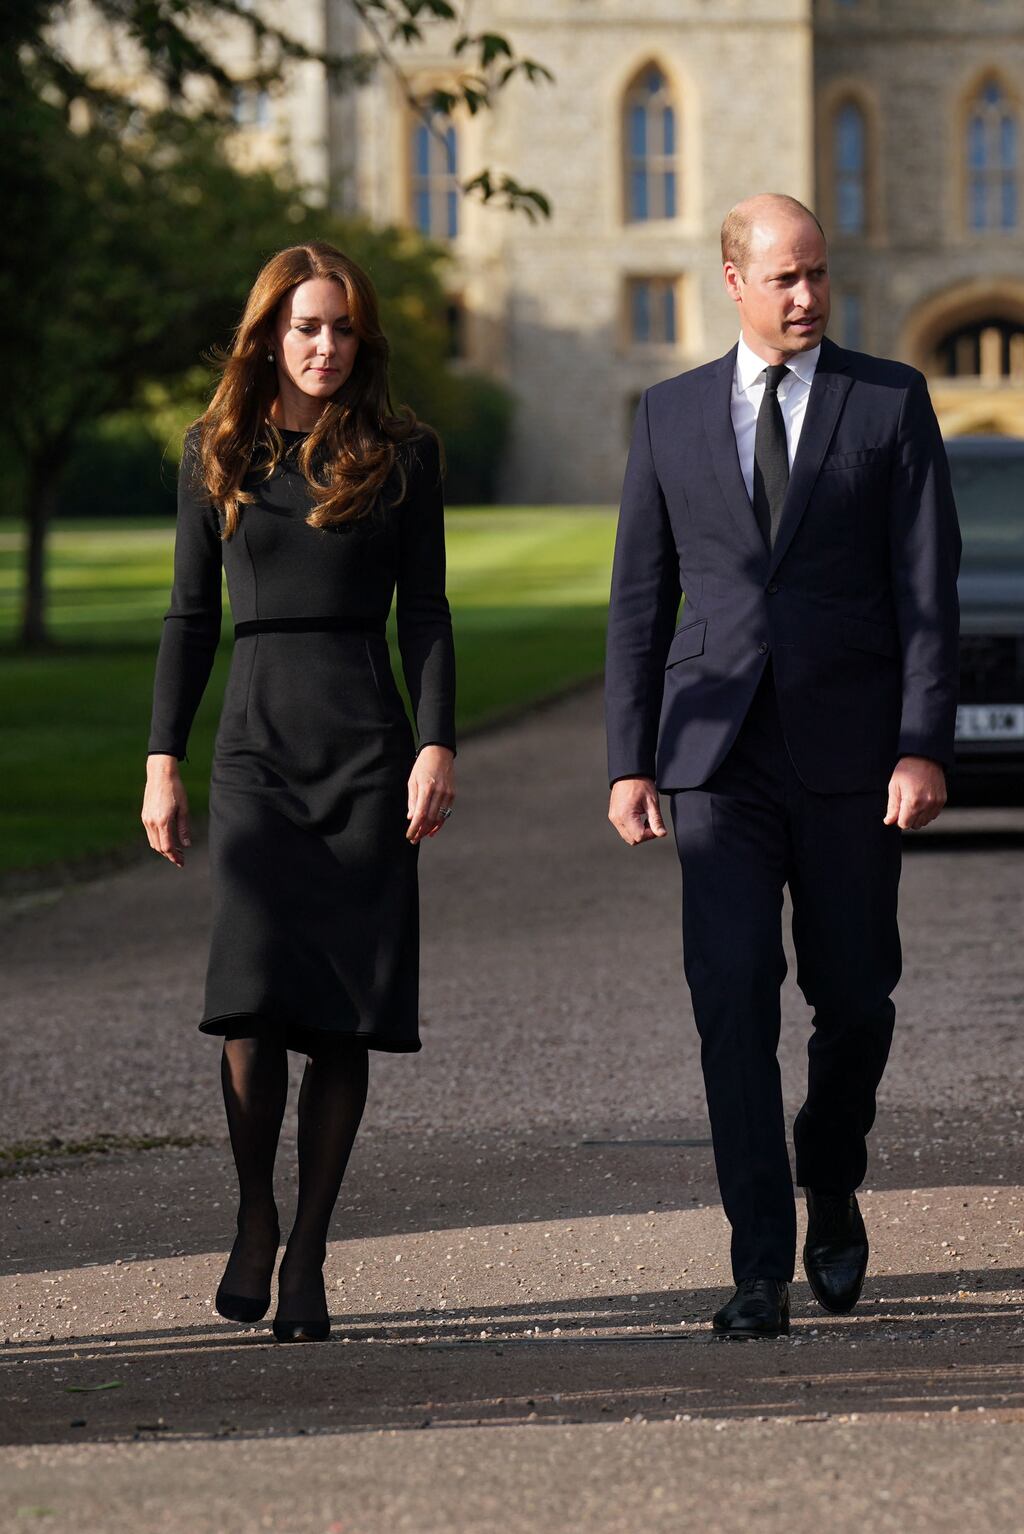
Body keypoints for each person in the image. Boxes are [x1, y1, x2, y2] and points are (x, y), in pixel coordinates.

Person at [605, 194, 960, 1338]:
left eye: (817, 275)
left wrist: (920, 740)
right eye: (785, 279)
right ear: (732, 280)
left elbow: (926, 589)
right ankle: (758, 1259)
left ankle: (833, 1175)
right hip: (713, 757)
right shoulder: (665, 415)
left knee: (853, 997)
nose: (807, 297)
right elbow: (637, 601)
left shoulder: (889, 401)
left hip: (854, 753)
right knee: (729, 996)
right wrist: (629, 760)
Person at [142, 241, 456, 1343]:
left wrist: (436, 743)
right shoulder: (215, 451)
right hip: (256, 746)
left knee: (341, 1016)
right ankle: (256, 1213)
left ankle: (313, 1250)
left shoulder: (404, 453)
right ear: (270, 333)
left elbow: (426, 612)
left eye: (342, 329)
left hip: (367, 744)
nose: (326, 347)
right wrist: (161, 759)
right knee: (251, 995)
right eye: (306, 327)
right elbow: (188, 616)